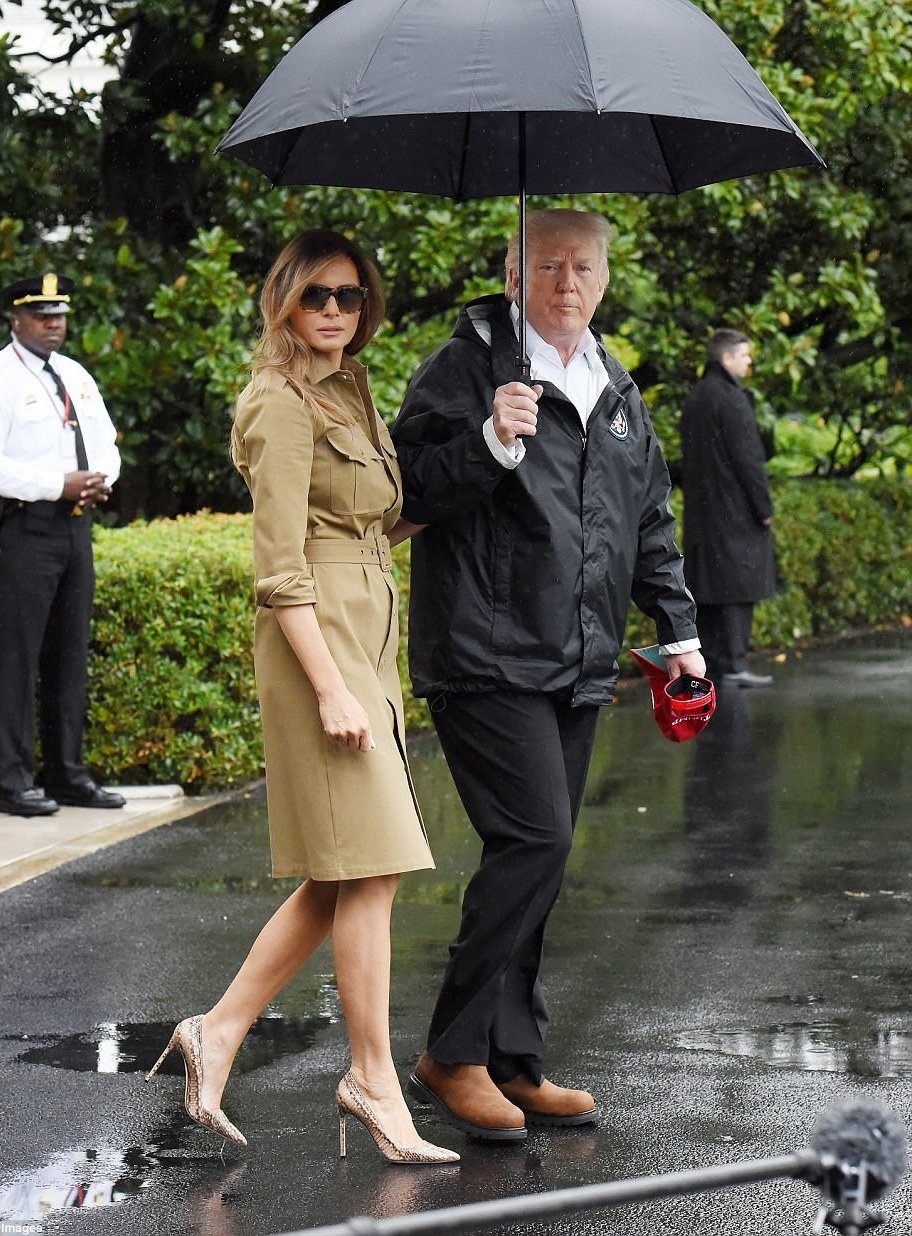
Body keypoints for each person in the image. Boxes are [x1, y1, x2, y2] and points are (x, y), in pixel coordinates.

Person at [391, 209, 705, 1141]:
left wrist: (680, 630)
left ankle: (514, 1059)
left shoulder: (615, 386)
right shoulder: (465, 369)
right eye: (548, 266)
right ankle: (452, 1053)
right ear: (513, 273)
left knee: (545, 856)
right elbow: (405, 489)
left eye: (584, 267)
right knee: (535, 839)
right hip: (484, 653)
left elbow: (646, 517)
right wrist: (490, 441)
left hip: (577, 658)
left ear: (605, 279)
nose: (568, 283)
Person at [146, 230, 458, 1166]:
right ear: (282, 299)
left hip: (367, 630)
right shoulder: (277, 402)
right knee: (375, 863)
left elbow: (372, 526)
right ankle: (371, 1079)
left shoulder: (349, 388)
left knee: (348, 870)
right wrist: (329, 690)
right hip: (317, 643)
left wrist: (493, 449)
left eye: (350, 296)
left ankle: (217, 1032)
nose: (333, 311)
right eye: (316, 294)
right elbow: (280, 568)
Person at [0, 273, 126, 818]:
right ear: (16, 318)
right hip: (22, 526)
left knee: (68, 652)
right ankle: (10, 784)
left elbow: (104, 439)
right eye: (41, 315)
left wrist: (101, 478)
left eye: (60, 315)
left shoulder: (75, 375)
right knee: (17, 655)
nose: (53, 324)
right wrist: (58, 484)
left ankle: (67, 775)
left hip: (74, 524)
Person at [681, 329, 776, 688]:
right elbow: (748, 460)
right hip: (735, 511)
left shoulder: (696, 397)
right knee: (738, 587)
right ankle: (734, 663)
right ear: (727, 358)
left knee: (707, 589)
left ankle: (710, 664)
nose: (749, 362)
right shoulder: (732, 399)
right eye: (745, 355)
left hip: (703, 510)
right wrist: (763, 507)